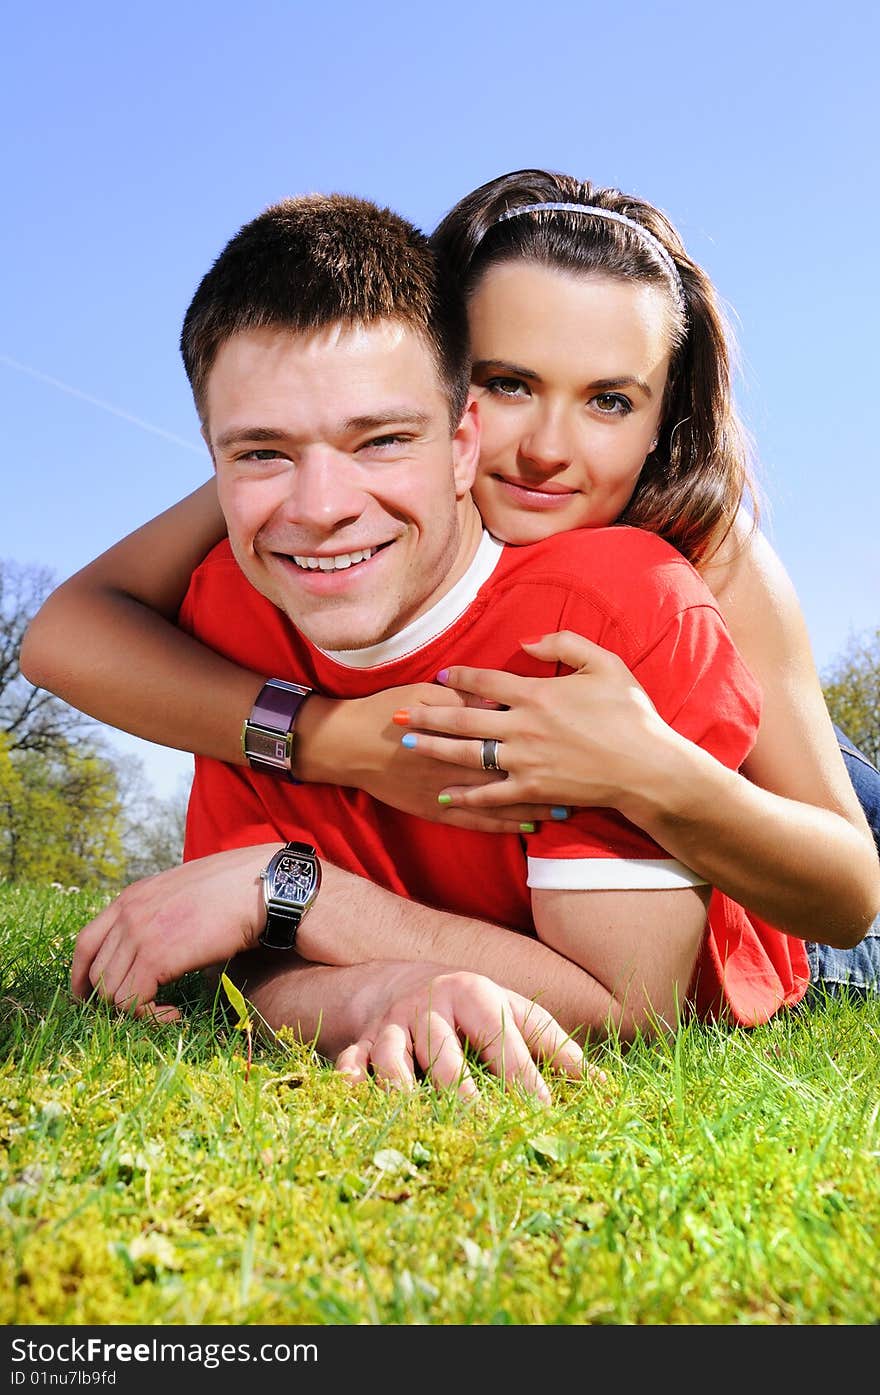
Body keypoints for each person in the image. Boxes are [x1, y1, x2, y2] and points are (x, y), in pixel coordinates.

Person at [21, 171, 880, 1016]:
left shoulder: (701, 556)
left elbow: (845, 892)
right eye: (508, 382)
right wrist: (331, 740)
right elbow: (69, 631)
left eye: (610, 400)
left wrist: (651, 767)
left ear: (662, 423)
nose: (546, 447)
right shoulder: (329, 480)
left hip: (769, 818)